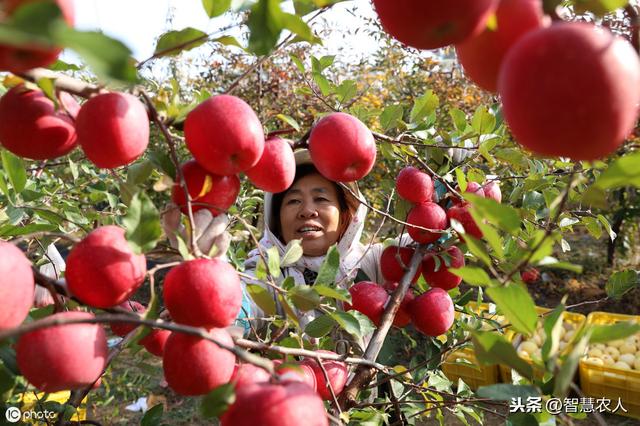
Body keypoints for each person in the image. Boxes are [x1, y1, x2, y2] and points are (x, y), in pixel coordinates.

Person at [237, 149, 386, 351]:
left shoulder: (372, 263)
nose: (307, 210)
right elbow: (243, 302)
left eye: (321, 199)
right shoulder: (271, 273)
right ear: (277, 221)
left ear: (345, 215)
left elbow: (426, 242)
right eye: (294, 201)